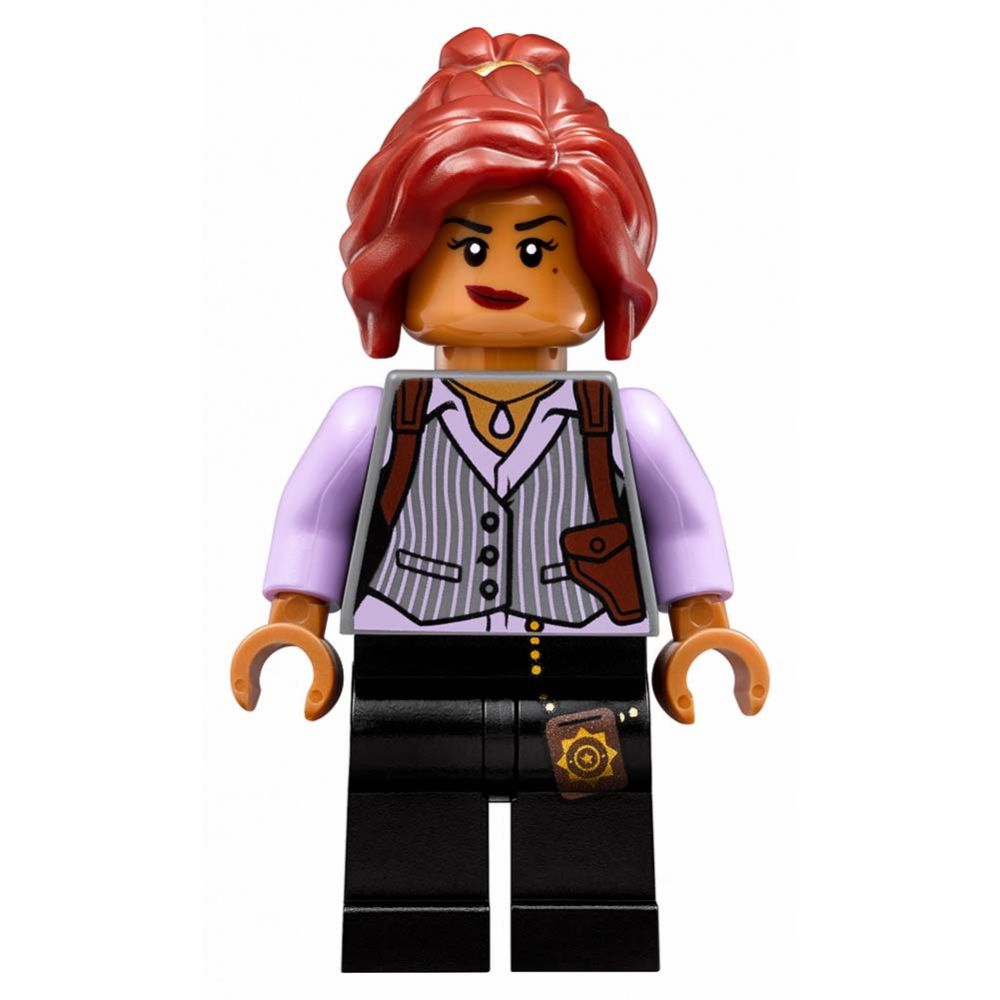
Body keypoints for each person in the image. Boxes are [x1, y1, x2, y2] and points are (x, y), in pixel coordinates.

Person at [231, 27, 769, 973]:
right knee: (408, 835)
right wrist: (294, 622)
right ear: (400, 264)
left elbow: (683, 524)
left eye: (540, 250)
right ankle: (413, 947)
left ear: (603, 267)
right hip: (412, 659)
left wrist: (703, 628)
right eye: (470, 245)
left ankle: (586, 945)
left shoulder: (626, 421)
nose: (502, 275)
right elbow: (315, 519)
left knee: (589, 832)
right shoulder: (372, 419)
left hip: (581, 664)